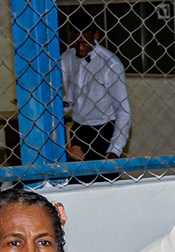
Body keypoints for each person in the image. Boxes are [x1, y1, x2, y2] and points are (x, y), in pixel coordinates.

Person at [60, 12, 131, 161]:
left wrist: (114, 150)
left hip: (104, 132)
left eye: (85, 42)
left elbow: (123, 111)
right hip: (78, 130)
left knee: (103, 174)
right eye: (76, 42)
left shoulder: (111, 64)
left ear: (96, 35)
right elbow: (70, 100)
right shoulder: (66, 58)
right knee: (76, 175)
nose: (80, 48)